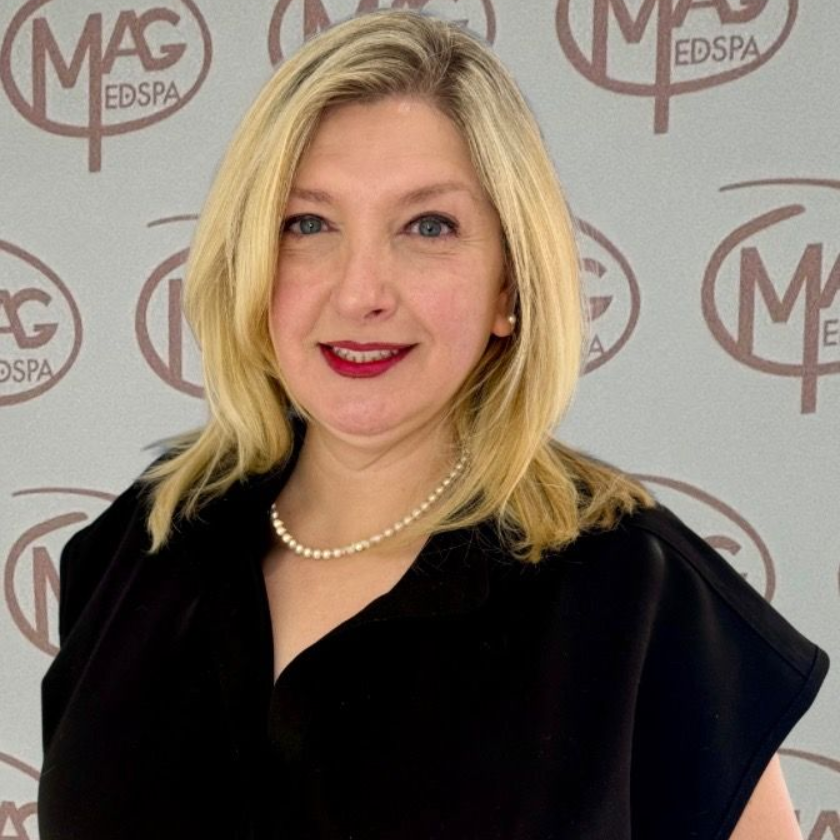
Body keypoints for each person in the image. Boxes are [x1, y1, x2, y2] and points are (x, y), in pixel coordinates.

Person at [38, 10, 828, 840]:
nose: (361, 291)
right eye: (308, 224)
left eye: (429, 227)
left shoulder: (640, 600)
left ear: (508, 287)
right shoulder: (133, 550)